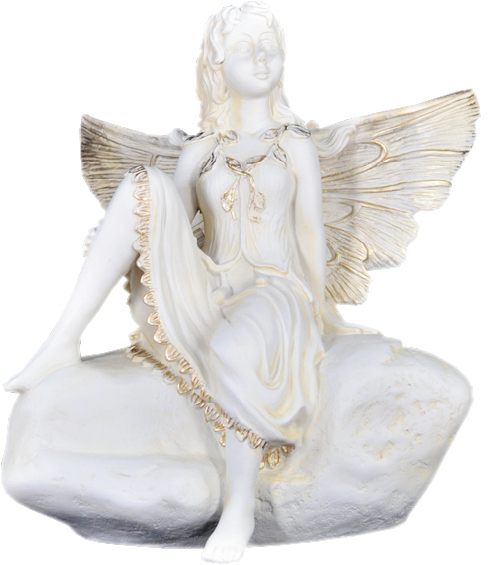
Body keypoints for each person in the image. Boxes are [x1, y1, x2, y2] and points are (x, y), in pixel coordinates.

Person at [4, 3, 344, 562]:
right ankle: (62, 340)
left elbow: (310, 234)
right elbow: (172, 227)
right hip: (210, 285)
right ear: (217, 64)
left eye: (269, 46)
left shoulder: (295, 143)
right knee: (142, 184)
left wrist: (320, 313)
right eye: (244, 48)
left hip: (275, 293)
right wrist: (131, 228)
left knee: (237, 346)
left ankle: (240, 504)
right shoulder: (201, 148)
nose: (261, 57)